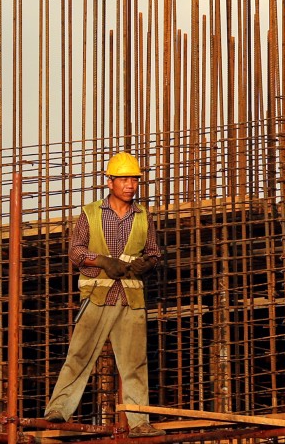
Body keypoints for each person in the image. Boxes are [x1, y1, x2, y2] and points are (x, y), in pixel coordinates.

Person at [43, 151, 166, 438]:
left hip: (130, 299)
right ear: (109, 182)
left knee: (135, 363)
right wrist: (101, 261)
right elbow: (75, 251)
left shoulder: (143, 217)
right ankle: (58, 410)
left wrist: (148, 262)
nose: (130, 185)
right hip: (98, 297)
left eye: (134, 179)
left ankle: (139, 422)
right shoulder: (91, 214)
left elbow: (153, 253)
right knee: (79, 355)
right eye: (123, 179)